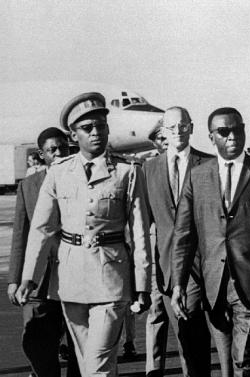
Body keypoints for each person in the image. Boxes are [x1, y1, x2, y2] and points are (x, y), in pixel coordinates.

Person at [16, 92, 152, 376]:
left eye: (101, 126)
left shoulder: (128, 172)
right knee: (92, 361)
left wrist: (143, 283)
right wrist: (29, 277)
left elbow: (140, 232)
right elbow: (41, 229)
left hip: (111, 279)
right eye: (87, 128)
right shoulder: (59, 173)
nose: (96, 133)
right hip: (71, 281)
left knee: (97, 365)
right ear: (73, 135)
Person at [171, 107, 250, 377]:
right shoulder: (197, 176)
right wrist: (179, 284)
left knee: (246, 359)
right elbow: (184, 235)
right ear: (211, 136)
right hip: (214, 286)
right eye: (224, 132)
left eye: (237, 130)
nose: (232, 137)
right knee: (230, 362)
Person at [143, 107, 214, 377]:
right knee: (184, 335)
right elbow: (144, 222)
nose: (178, 132)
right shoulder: (149, 169)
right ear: (163, 132)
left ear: (192, 128)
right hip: (166, 264)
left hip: (204, 261)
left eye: (183, 126)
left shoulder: (209, 163)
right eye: (171, 128)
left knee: (196, 334)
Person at [8, 127, 80, 377]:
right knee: (37, 345)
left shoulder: (82, 180)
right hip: (39, 281)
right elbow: (21, 235)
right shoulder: (28, 186)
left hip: (76, 278)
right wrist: (15, 280)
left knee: (79, 348)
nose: (59, 153)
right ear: (42, 154)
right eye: (52, 150)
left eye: (63, 148)